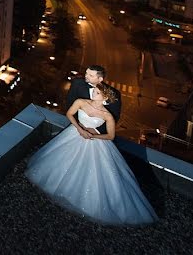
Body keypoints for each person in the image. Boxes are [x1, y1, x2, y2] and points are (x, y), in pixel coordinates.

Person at [26, 85, 157, 225]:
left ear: (105, 97)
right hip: (74, 133)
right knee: (63, 160)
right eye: (94, 91)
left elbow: (111, 136)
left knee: (94, 172)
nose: (94, 92)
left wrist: (93, 136)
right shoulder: (81, 102)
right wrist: (80, 129)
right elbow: (69, 114)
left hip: (95, 140)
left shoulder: (107, 115)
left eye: (98, 92)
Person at [66, 65, 121, 136]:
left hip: (95, 133)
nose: (86, 76)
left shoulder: (113, 93)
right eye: (86, 73)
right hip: (76, 127)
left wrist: (96, 130)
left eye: (91, 75)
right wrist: (78, 125)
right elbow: (70, 102)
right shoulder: (77, 83)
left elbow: (114, 115)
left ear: (100, 79)